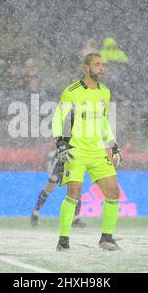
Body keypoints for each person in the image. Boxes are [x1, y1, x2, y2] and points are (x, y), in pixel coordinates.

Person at [52, 53, 123, 251]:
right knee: (73, 192)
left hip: (98, 151)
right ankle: (63, 240)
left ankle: (106, 238)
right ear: (85, 67)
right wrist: (60, 142)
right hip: (77, 150)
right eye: (97, 64)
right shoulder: (71, 91)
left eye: (103, 65)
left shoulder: (105, 93)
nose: (102, 68)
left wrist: (113, 144)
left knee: (113, 192)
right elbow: (58, 118)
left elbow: (103, 122)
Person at [30, 149, 86, 228]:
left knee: (75, 188)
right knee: (51, 185)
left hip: (75, 159)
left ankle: (75, 219)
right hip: (60, 159)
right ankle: (35, 212)